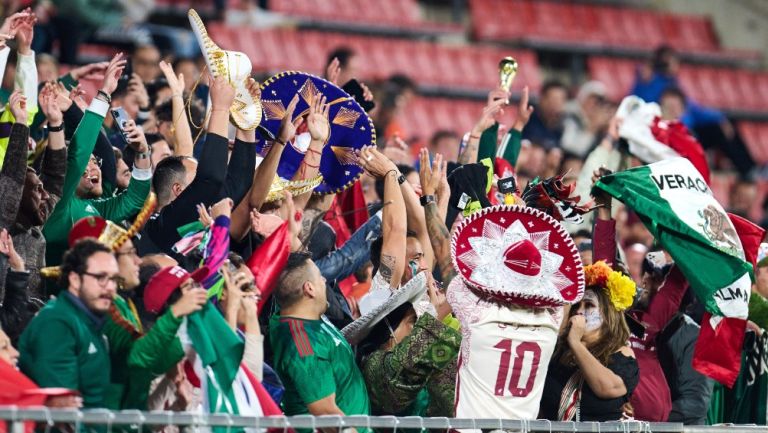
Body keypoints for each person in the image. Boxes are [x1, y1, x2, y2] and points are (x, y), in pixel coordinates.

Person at [42, 53, 153, 268]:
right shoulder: (57, 206)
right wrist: (104, 94)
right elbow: (78, 154)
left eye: (96, 162)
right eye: (89, 162)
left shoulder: (95, 208)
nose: (94, 167)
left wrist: (142, 153)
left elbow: (135, 200)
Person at [18, 239, 124, 408]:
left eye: (114, 279)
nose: (111, 287)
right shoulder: (56, 324)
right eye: (101, 277)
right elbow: (63, 416)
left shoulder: (90, 323)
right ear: (75, 279)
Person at [269, 252, 371, 425]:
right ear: (309, 289)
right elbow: (327, 415)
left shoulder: (307, 314)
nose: (324, 280)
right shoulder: (304, 346)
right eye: (319, 277)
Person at [539, 261, 639, 421]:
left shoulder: (621, 354)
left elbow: (608, 388)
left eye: (589, 305)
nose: (579, 311)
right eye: (577, 305)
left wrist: (576, 343)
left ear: (608, 315)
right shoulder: (558, 350)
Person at [522, 79, 567, 151]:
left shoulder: (563, 126)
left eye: (560, 100)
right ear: (542, 99)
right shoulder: (528, 120)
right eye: (553, 99)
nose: (556, 104)